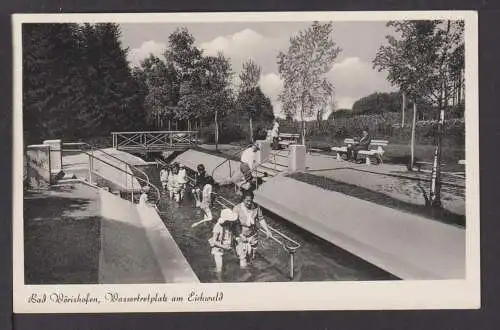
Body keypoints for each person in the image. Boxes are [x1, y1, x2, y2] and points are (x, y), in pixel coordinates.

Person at [233, 190, 272, 269]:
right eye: (247, 201)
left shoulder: (256, 207)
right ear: (243, 199)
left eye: (250, 201)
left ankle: (251, 268)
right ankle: (245, 275)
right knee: (242, 259)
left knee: (252, 256)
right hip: (241, 235)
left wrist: (267, 230)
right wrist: (240, 235)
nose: (249, 203)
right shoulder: (237, 208)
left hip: (253, 235)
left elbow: (261, 219)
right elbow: (235, 224)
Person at [208, 208, 238, 274]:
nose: (231, 221)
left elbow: (230, 235)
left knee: (226, 267)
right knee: (219, 269)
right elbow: (214, 241)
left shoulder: (229, 225)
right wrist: (224, 247)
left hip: (226, 248)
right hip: (218, 249)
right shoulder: (217, 227)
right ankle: (219, 280)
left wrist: (236, 239)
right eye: (230, 220)